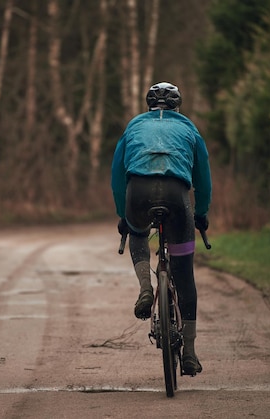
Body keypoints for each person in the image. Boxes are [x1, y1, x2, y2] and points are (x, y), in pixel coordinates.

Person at [111, 82, 212, 375]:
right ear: (177, 106)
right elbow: (203, 179)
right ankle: (190, 353)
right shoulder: (190, 129)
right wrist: (201, 214)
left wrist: (123, 216)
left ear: (148, 106)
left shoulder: (133, 127)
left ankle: (146, 287)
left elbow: (117, 178)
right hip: (176, 196)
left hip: (138, 193)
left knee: (139, 231)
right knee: (184, 274)